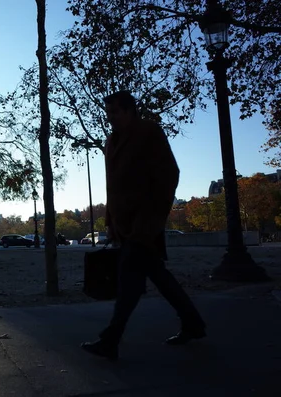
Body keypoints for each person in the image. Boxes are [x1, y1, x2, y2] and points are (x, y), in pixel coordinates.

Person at [81, 91, 206, 360]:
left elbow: (169, 174)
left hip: (144, 225)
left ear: (129, 110)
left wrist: (151, 219)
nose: (110, 117)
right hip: (126, 225)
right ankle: (194, 324)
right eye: (108, 112)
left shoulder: (149, 131)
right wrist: (111, 222)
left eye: (114, 112)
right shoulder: (111, 141)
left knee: (128, 283)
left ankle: (110, 340)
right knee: (158, 277)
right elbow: (111, 186)